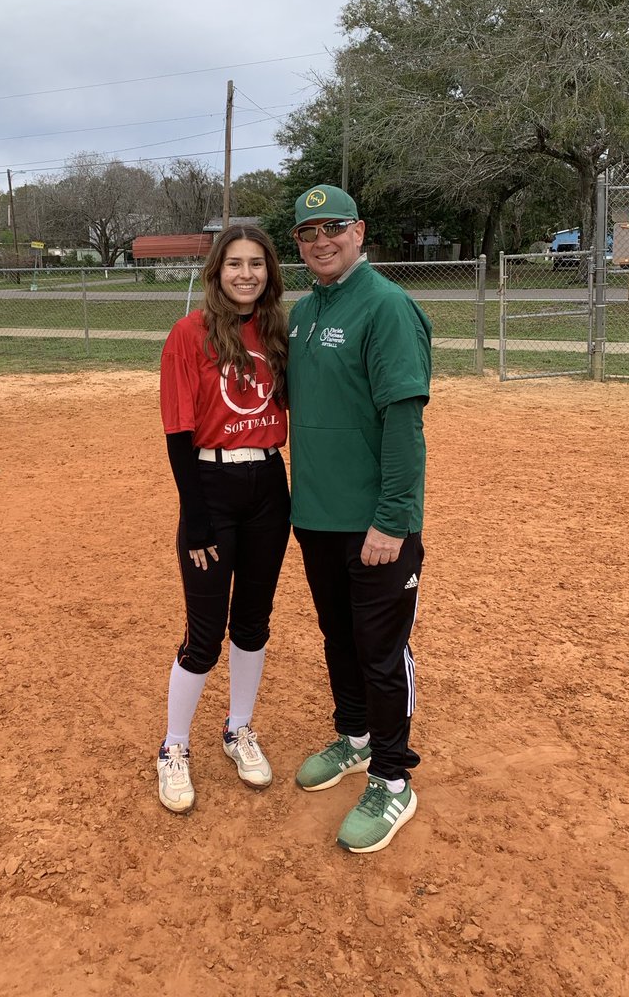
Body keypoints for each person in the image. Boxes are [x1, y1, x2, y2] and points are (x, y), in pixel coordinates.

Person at [287, 184, 432, 853]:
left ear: (359, 230)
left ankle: (394, 777)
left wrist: (393, 521)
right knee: (338, 637)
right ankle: (355, 734)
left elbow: (403, 423)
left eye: (333, 227)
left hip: (374, 523)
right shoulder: (301, 314)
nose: (320, 240)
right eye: (307, 232)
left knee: (380, 650)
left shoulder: (386, 307)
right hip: (315, 515)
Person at [156, 226, 291, 814]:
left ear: (269, 272)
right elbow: (178, 432)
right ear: (215, 271)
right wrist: (195, 516)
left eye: (256, 264)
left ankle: (238, 729)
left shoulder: (280, 332)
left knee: (253, 622)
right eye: (234, 263)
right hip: (211, 484)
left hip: (268, 484)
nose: (245, 274)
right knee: (205, 634)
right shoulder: (188, 335)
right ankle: (174, 746)